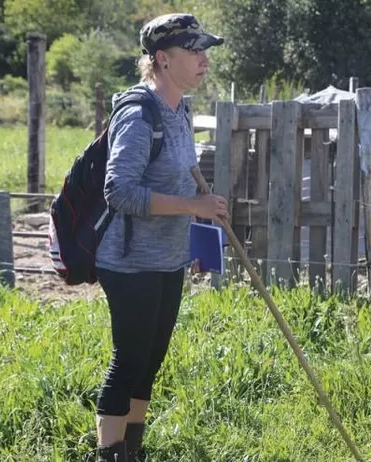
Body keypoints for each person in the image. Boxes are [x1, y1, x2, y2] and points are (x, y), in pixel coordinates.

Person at [93, 13, 228, 462]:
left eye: (204, 50)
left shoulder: (180, 108)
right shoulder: (138, 114)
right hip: (130, 262)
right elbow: (119, 192)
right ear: (163, 60)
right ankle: (109, 454)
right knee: (128, 360)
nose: (204, 59)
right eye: (195, 51)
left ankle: (133, 449)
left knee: (151, 360)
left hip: (168, 257)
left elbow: (181, 176)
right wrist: (194, 207)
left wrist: (196, 230)